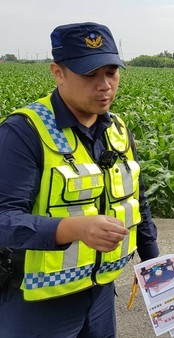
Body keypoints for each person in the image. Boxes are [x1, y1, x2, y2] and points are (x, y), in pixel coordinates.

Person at [0, 22, 159, 337]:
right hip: (37, 305)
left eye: (111, 72)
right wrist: (72, 229)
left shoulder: (118, 129)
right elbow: (4, 218)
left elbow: (136, 200)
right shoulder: (23, 132)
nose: (104, 86)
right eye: (89, 75)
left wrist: (152, 260)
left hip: (99, 294)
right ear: (58, 72)